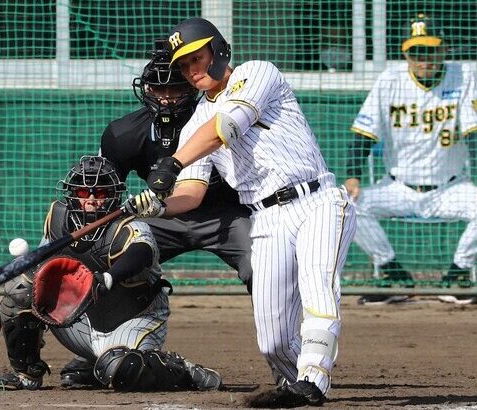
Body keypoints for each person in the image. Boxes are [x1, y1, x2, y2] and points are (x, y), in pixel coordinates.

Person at [129, 17, 356, 408]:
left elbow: (226, 127)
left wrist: (173, 164)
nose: (191, 69)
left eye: (196, 58)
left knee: (319, 289)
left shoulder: (256, 73)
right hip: (265, 218)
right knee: (273, 340)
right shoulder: (195, 124)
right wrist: (160, 205)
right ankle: (297, 385)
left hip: (317, 200)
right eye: (184, 65)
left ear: (218, 51)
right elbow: (192, 194)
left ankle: (314, 380)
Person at [56, 39, 255, 389]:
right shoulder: (123, 132)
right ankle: (98, 352)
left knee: (264, 265)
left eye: (175, 86)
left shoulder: (216, 115)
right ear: (145, 88)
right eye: (159, 87)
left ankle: (290, 352)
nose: (167, 96)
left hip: (226, 215)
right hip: (163, 216)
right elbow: (104, 192)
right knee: (103, 250)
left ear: (190, 85)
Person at [0, 156, 222, 392]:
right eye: (84, 192)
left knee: (123, 370)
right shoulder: (58, 219)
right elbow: (37, 272)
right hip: (82, 320)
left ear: (115, 195)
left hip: (133, 320)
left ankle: (181, 371)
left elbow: (141, 254)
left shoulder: (132, 224)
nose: (92, 199)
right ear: (72, 194)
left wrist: (106, 279)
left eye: (101, 192)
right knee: (21, 285)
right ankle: (27, 373)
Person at [345, 13, 477, 305]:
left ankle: (456, 276)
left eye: (431, 51)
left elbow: (475, 136)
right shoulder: (390, 80)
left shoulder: (463, 75)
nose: (424, 60)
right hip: (398, 188)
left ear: (443, 49)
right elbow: (364, 133)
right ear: (406, 54)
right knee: (344, 206)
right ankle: (393, 274)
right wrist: (353, 178)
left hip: (450, 188)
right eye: (417, 53)